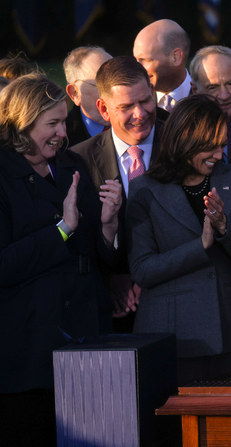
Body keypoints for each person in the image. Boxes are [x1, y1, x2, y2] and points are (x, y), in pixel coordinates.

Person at [0, 74, 121, 445]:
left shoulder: (71, 165)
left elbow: (93, 252)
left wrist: (108, 226)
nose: (62, 133)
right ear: (22, 122)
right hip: (27, 354)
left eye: (62, 122)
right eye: (50, 124)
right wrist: (61, 230)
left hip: (86, 342)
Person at [127, 94, 231, 385]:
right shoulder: (145, 189)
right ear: (187, 140)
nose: (219, 154)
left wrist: (225, 228)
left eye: (222, 144)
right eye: (211, 146)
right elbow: (142, 270)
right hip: (175, 336)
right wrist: (199, 246)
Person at [71, 55, 163, 326]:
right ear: (103, 109)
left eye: (145, 100)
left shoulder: (180, 143)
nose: (140, 114)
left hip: (177, 299)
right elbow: (83, 244)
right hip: (114, 313)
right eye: (126, 106)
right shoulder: (80, 160)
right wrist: (113, 279)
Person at [190, 45, 231, 163]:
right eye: (213, 87)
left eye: (230, 83)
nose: (224, 96)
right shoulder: (188, 135)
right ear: (195, 90)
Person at [133, 19, 191, 112]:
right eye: (136, 60)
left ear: (175, 57)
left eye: (145, 60)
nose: (137, 68)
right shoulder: (132, 104)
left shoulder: (209, 100)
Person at [63, 46, 112, 145]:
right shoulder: (61, 139)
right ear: (75, 93)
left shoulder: (141, 123)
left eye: (118, 81)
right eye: (102, 84)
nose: (115, 90)